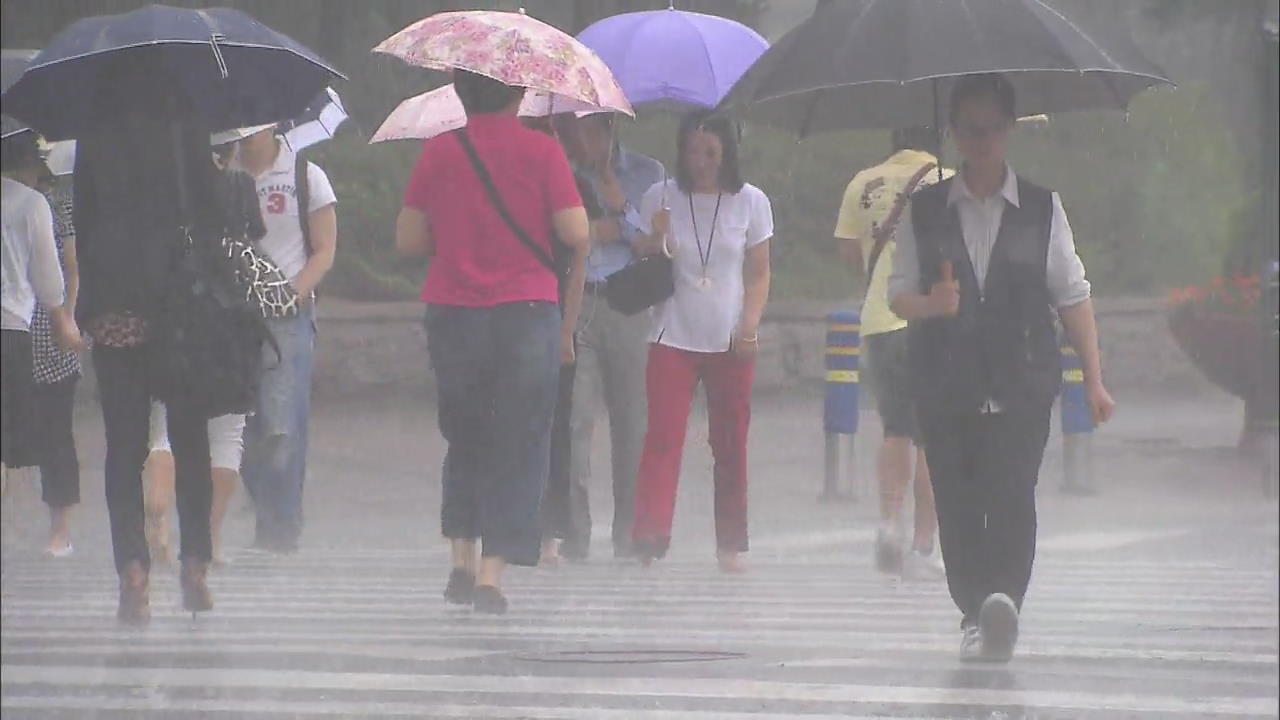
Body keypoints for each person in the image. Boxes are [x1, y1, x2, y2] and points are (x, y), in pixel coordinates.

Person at [889, 73, 1115, 663]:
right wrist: (931, 306)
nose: (981, 139)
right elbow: (898, 296)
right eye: (968, 128)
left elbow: (1072, 295)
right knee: (960, 500)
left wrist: (1093, 377)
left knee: (1012, 492)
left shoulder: (1042, 208)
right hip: (945, 379)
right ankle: (973, 611)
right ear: (954, 132)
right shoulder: (925, 210)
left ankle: (1003, 603)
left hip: (1023, 376)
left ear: (1010, 130)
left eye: (991, 128)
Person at [395, 70, 590, 614]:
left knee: (465, 435)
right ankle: (490, 574)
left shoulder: (439, 152)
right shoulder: (544, 152)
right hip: (525, 314)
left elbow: (408, 239)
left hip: (455, 312)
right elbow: (575, 232)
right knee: (521, 440)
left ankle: (460, 556)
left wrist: (459, 228)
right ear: (519, 94)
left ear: (459, 93)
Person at [73, 103, 224, 624]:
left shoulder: (95, 128)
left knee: (125, 447)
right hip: (179, 306)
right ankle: (196, 563)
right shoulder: (186, 121)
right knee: (190, 438)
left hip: (115, 304)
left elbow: (84, 217)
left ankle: (133, 569)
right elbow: (210, 213)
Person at [630, 112, 774, 573]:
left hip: (730, 337)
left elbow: (759, 272)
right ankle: (651, 533)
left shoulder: (751, 203)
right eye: (693, 151)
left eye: (710, 152)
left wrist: (750, 324)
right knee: (663, 437)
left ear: (728, 151)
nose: (701, 162)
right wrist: (654, 236)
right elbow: (639, 250)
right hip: (672, 333)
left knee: (730, 441)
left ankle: (730, 543)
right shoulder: (662, 194)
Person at [834, 127, 950, 579]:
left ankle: (888, 524)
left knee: (896, 428)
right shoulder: (950, 179)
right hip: (932, 319)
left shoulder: (864, 183)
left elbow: (848, 252)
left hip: (880, 318)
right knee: (934, 435)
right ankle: (925, 543)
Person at [143, 138, 263, 566]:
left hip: (175, 314)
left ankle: (157, 514)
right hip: (231, 317)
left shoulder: (166, 185)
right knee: (227, 432)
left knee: (164, 424)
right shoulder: (239, 183)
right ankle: (209, 535)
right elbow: (253, 242)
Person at [551, 111, 665, 562]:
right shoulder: (558, 168)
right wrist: (603, 231)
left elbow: (652, 241)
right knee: (575, 422)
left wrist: (620, 210)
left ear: (608, 127)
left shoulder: (647, 173)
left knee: (632, 422)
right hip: (578, 301)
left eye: (582, 128)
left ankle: (631, 534)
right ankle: (574, 532)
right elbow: (563, 235)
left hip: (629, 302)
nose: (575, 138)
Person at [234, 124, 337, 554]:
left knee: (281, 424)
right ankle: (264, 507)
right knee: (238, 426)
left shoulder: (304, 175)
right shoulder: (223, 173)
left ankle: (280, 526)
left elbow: (325, 248)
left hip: (287, 315)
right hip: (232, 314)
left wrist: (292, 293)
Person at [2, 133, 81, 509]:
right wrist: (62, 316)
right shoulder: (33, 203)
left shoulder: (43, 201)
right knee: (24, 433)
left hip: (22, 328)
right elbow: (54, 278)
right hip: (17, 329)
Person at [29, 168, 85, 557]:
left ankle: (60, 528)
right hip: (16, 324)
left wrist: (68, 314)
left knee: (55, 433)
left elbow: (73, 265)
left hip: (48, 328)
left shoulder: (57, 203)